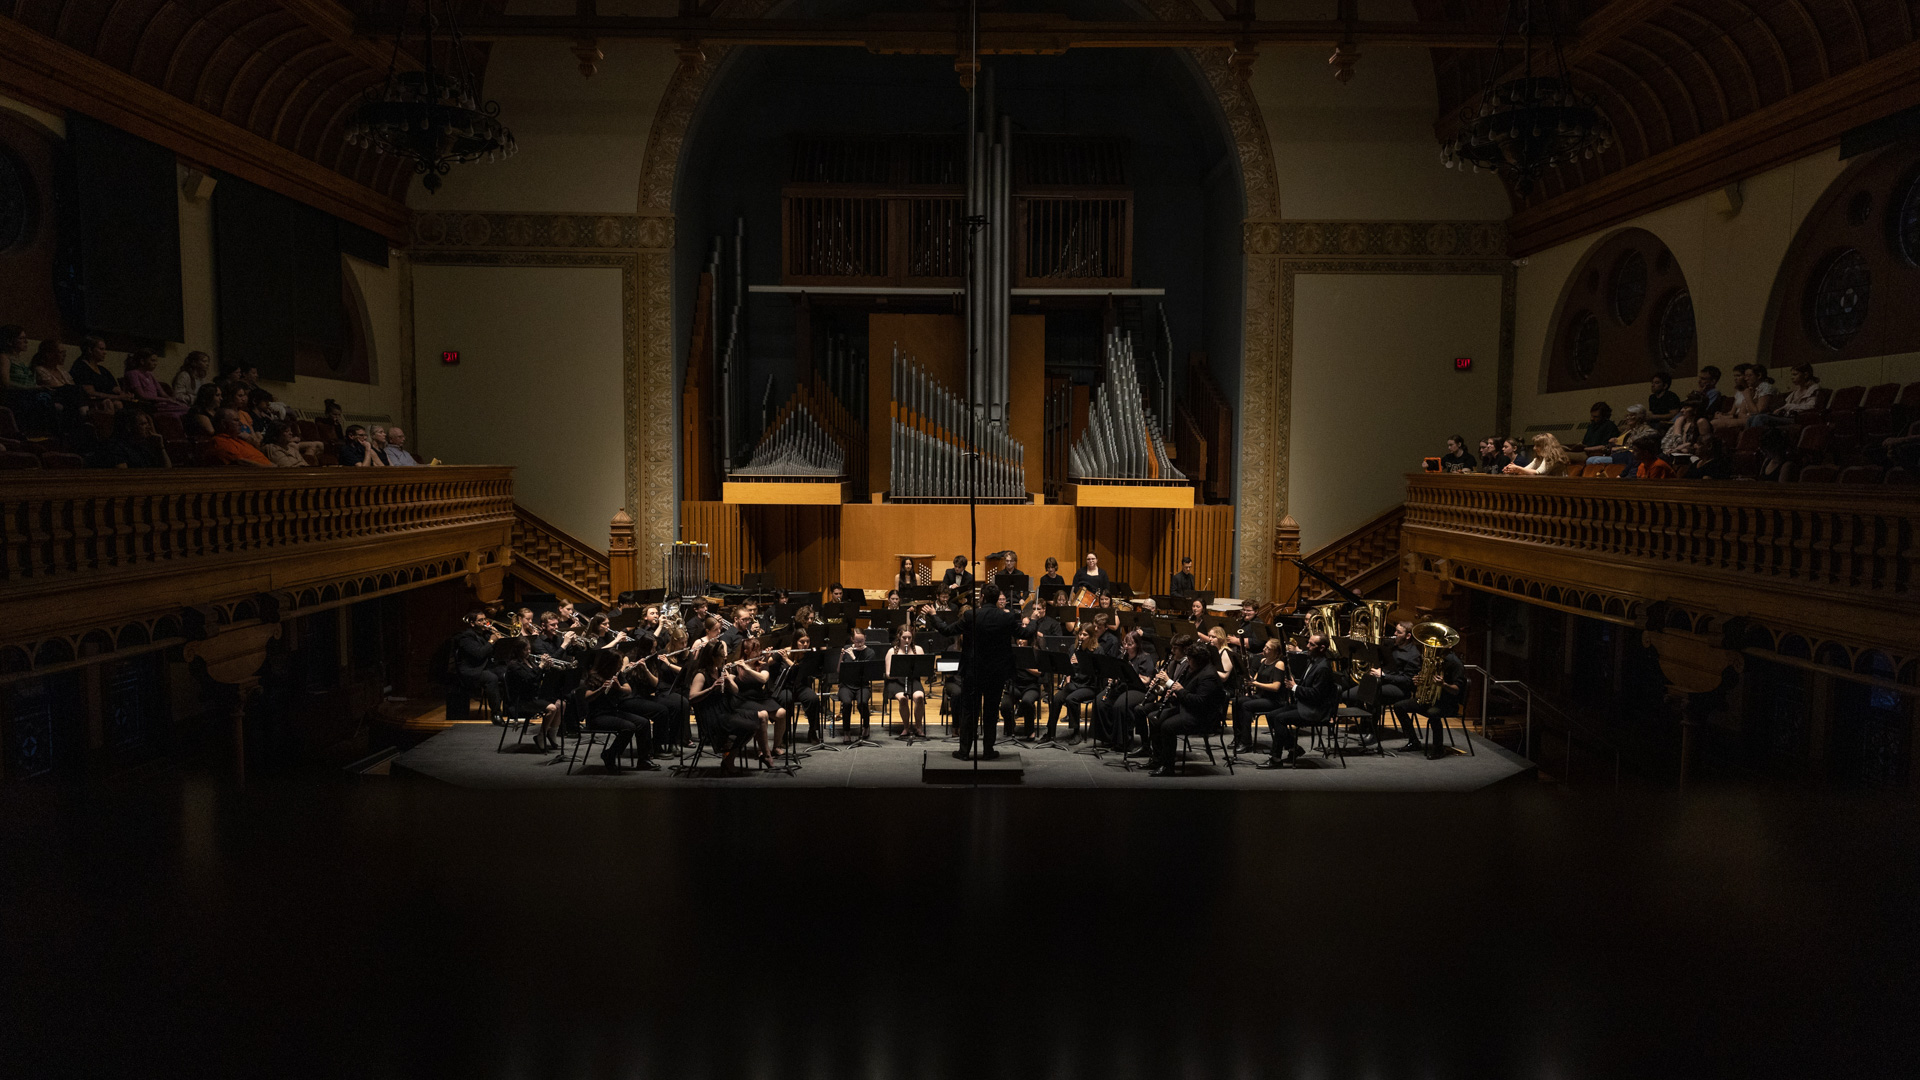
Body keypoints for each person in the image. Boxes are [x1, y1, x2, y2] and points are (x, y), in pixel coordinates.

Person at [953, 583, 1020, 760]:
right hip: (996, 673)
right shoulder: (1007, 617)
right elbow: (1026, 633)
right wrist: (1035, 619)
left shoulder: (970, 615)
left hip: (974, 671)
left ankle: (965, 751)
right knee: (991, 712)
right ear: (997, 598)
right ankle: (988, 751)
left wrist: (933, 616)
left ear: (982, 597)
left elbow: (946, 630)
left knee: (969, 712)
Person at [1144, 639, 1227, 777]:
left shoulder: (1209, 676)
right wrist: (1175, 693)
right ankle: (1158, 759)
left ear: (1198, 660)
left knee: (1167, 726)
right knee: (1154, 718)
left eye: (1189, 659)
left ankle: (1167, 766)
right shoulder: (1194, 669)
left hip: (1203, 717)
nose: (1187, 661)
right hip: (1189, 709)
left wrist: (1180, 691)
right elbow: (1188, 693)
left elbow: (1200, 702)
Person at [1256, 635, 1338, 768]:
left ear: (1322, 648)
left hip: (1315, 710)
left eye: (1311, 645)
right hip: (1305, 704)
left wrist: (1295, 687)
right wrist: (1295, 683)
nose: (1307, 647)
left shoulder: (1323, 668)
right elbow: (1308, 686)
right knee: (1271, 715)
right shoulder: (1313, 661)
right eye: (1308, 643)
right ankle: (1294, 749)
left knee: (1279, 719)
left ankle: (1275, 759)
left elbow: (1316, 694)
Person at [1350, 621, 1423, 751]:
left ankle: (1372, 732)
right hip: (1383, 682)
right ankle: (1365, 725)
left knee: (1373, 693)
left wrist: (1383, 675)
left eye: (1399, 632)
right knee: (1348, 695)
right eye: (1395, 631)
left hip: (1401, 689)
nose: (1395, 634)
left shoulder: (1413, 655)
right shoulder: (1389, 645)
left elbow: (1408, 681)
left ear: (1408, 636)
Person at [580, 652, 656, 774]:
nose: (620, 665)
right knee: (629, 727)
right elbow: (587, 697)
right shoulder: (594, 676)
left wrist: (618, 687)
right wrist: (600, 690)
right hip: (598, 715)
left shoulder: (617, 674)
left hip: (613, 711)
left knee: (644, 722)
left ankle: (643, 760)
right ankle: (610, 754)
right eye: (618, 663)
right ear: (609, 663)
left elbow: (628, 690)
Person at [1414, 638, 1467, 760]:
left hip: (1448, 704)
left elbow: (1457, 690)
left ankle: (1438, 748)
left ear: (1449, 646)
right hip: (1431, 700)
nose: (1434, 646)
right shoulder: (1433, 660)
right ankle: (1414, 741)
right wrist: (1419, 681)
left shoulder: (1455, 663)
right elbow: (1426, 680)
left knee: (1433, 713)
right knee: (1400, 706)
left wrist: (1444, 685)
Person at [1233, 639, 1287, 753]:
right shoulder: (1263, 661)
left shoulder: (1279, 664)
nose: (1264, 649)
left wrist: (1256, 684)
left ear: (1276, 653)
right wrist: (1249, 679)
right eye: (1265, 647)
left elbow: (1276, 687)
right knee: (1237, 701)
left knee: (1247, 706)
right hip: (1261, 696)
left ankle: (1246, 742)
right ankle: (1238, 737)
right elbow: (1256, 679)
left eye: (1268, 648)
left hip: (1274, 700)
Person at [450, 612, 505, 721]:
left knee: (507, 673)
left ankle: (510, 710)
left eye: (485, 619)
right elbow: (479, 654)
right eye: (480, 620)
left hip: (485, 666)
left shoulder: (486, 634)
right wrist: (492, 641)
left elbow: (498, 652)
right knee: (491, 678)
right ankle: (496, 714)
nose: (484, 622)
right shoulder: (466, 637)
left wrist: (499, 637)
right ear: (472, 623)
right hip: (471, 669)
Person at [87, 409, 171, 469]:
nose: (148, 427)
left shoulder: (143, 446)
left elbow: (167, 471)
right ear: (129, 427)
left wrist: (161, 447)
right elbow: (124, 478)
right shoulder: (114, 447)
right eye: (143, 424)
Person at [885, 626, 929, 739]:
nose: (907, 641)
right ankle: (906, 727)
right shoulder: (892, 651)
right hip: (896, 682)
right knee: (903, 699)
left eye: (910, 638)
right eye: (904, 637)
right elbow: (888, 674)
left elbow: (923, 669)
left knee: (919, 697)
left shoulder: (918, 650)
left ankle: (918, 727)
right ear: (899, 637)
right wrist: (899, 671)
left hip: (912, 680)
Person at [68, 336, 135, 411]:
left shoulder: (103, 370)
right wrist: (117, 397)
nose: (105, 352)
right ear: (90, 350)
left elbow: (115, 388)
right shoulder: (81, 367)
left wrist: (125, 395)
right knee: (117, 404)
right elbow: (90, 393)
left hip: (111, 400)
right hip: (93, 403)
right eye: (101, 349)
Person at [1751, 363, 1820, 427]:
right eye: (1792, 375)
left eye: (1795, 374)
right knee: (1751, 418)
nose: (1792, 377)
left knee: (1761, 418)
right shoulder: (1796, 391)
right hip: (1787, 416)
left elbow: (1811, 406)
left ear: (1805, 375)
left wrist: (1788, 407)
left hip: (1798, 419)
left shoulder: (1814, 389)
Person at [836, 627, 876, 736]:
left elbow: (866, 673)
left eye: (861, 641)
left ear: (865, 638)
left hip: (862, 685)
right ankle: (846, 731)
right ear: (852, 639)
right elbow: (839, 670)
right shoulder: (847, 649)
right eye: (856, 641)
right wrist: (841, 656)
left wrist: (853, 658)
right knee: (847, 703)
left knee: (862, 703)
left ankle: (866, 726)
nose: (859, 644)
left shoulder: (870, 652)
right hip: (846, 685)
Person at [201, 408, 273, 466]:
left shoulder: (240, 440)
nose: (241, 423)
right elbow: (240, 462)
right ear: (223, 423)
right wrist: (271, 468)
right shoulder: (220, 441)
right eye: (236, 420)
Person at [1503, 433, 1570, 476]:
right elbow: (1525, 470)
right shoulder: (1538, 458)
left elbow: (1538, 473)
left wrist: (1517, 468)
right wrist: (1513, 470)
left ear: (1546, 446)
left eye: (1538, 445)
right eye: (1534, 445)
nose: (1534, 448)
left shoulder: (1551, 457)